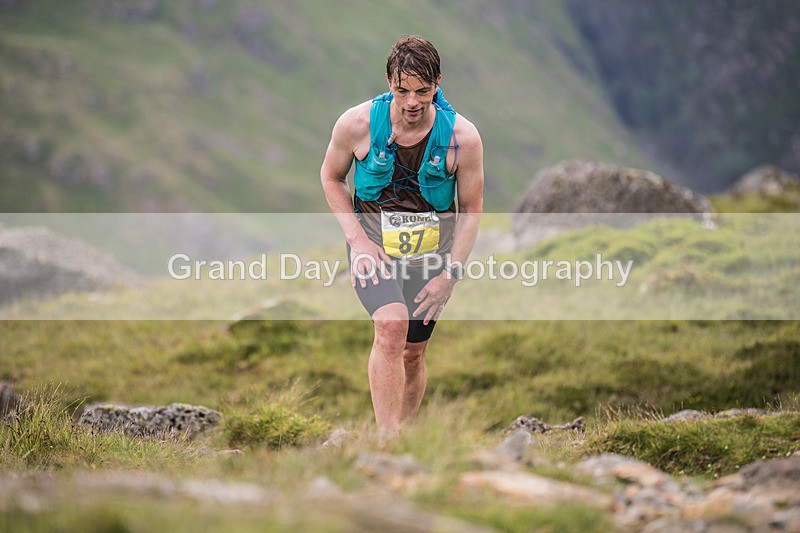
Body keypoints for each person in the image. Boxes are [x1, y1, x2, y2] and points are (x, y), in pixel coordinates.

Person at [320, 35, 484, 435]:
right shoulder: (356, 124)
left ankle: (404, 440)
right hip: (373, 248)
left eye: (423, 92)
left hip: (432, 257)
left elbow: (472, 211)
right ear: (389, 82)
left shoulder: (463, 139)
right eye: (402, 90)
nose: (412, 102)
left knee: (413, 352)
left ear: (438, 83)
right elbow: (331, 177)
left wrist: (450, 277)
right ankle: (386, 440)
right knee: (391, 327)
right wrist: (358, 242)